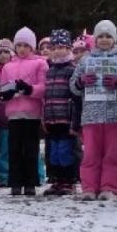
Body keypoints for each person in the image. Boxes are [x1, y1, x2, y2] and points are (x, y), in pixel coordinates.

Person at [71, 20, 117, 200]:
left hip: (115, 115)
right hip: (91, 116)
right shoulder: (85, 61)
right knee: (91, 154)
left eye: (108, 36)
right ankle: (89, 187)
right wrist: (81, 82)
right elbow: (73, 85)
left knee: (113, 154)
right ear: (95, 39)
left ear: (115, 39)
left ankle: (109, 188)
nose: (104, 40)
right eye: (100, 36)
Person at [0, 27, 48, 196]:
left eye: (26, 45)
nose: (22, 49)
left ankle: (30, 182)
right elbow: (2, 90)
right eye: (19, 45)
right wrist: (6, 94)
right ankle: (15, 182)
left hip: (31, 114)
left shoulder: (40, 63)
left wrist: (29, 89)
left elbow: (43, 87)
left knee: (31, 149)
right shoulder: (8, 67)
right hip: (13, 114)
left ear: (32, 46)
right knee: (14, 149)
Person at [42, 29, 79, 196]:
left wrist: (74, 121)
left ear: (69, 48)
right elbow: (46, 96)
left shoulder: (72, 69)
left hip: (66, 118)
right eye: (54, 47)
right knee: (54, 152)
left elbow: (75, 96)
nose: (58, 50)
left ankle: (69, 181)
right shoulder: (49, 70)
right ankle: (56, 180)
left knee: (65, 151)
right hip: (51, 118)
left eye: (62, 47)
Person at [0, 38, 15, 186]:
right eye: (0, 52)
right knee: (4, 148)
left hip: (18, 114)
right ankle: (4, 175)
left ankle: (33, 174)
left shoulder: (18, 68)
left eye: (6, 51)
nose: (3, 55)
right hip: (2, 117)